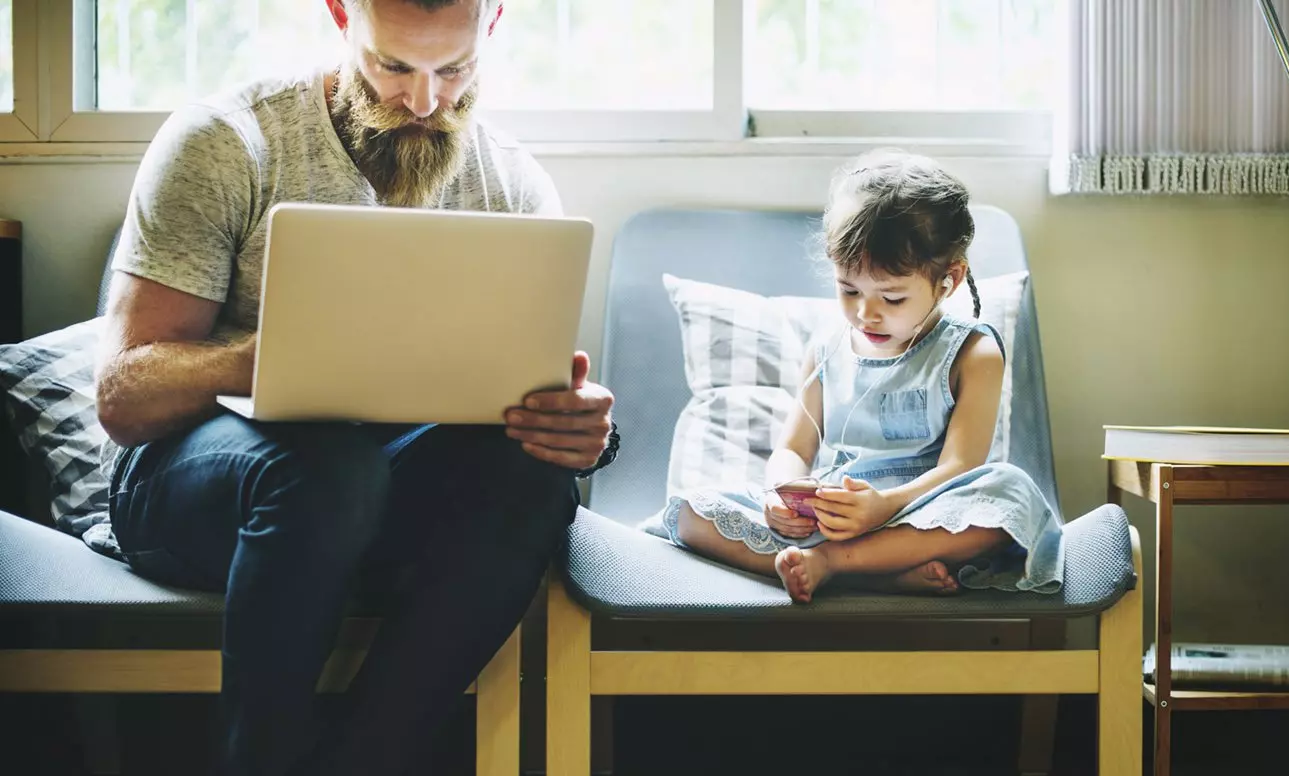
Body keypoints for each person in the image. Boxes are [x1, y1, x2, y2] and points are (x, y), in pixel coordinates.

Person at [91, 1, 619, 774]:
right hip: (193, 490)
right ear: (341, 14)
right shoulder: (226, 143)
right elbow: (123, 399)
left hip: (377, 489)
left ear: (494, 23)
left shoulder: (510, 185)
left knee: (531, 480)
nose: (426, 101)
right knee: (329, 469)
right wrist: (275, 356)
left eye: (455, 69)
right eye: (394, 66)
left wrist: (580, 433)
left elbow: (529, 396)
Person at [661, 149, 1063, 604]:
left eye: (892, 299)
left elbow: (960, 468)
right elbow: (793, 449)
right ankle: (874, 574)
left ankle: (833, 566)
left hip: (923, 516)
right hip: (834, 520)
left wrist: (885, 507)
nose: (865, 313)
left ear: (948, 280)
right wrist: (783, 497)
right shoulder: (825, 350)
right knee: (694, 512)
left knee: (1009, 493)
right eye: (848, 290)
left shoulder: (973, 353)